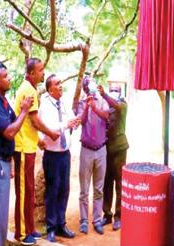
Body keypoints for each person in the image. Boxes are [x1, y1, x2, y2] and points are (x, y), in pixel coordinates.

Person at [0, 63, 33, 246]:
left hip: (1, 164)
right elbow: (10, 131)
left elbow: (13, 122)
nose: (9, 78)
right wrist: (25, 110)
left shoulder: (2, 101)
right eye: (5, 76)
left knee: (0, 216)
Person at [13, 58, 60, 245]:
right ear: (32, 73)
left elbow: (28, 124)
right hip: (23, 148)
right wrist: (50, 133)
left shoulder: (29, 89)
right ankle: (22, 233)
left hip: (29, 146)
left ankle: (30, 227)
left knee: (30, 190)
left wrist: (39, 140)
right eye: (40, 70)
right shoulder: (28, 90)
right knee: (24, 191)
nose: (43, 73)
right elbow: (34, 121)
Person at [38, 75, 80, 242]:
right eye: (57, 84)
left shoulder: (63, 103)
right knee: (52, 191)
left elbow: (70, 120)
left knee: (64, 189)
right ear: (50, 89)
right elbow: (48, 128)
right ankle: (51, 227)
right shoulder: (45, 106)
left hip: (65, 153)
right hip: (52, 155)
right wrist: (66, 125)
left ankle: (61, 224)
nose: (61, 86)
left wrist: (75, 122)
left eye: (60, 82)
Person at [76, 75, 111, 234]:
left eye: (92, 82)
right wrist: (86, 106)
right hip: (86, 150)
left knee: (99, 189)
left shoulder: (102, 100)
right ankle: (83, 221)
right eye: (88, 84)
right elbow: (80, 122)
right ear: (84, 88)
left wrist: (95, 106)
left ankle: (97, 220)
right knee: (84, 189)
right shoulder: (81, 103)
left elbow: (106, 115)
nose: (92, 86)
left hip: (101, 150)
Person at [101, 84, 127, 232]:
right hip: (105, 148)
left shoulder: (122, 105)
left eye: (116, 91)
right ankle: (107, 214)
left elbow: (116, 106)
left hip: (119, 148)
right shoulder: (106, 107)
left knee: (119, 182)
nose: (113, 92)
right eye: (111, 90)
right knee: (107, 182)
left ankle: (119, 216)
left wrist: (105, 95)